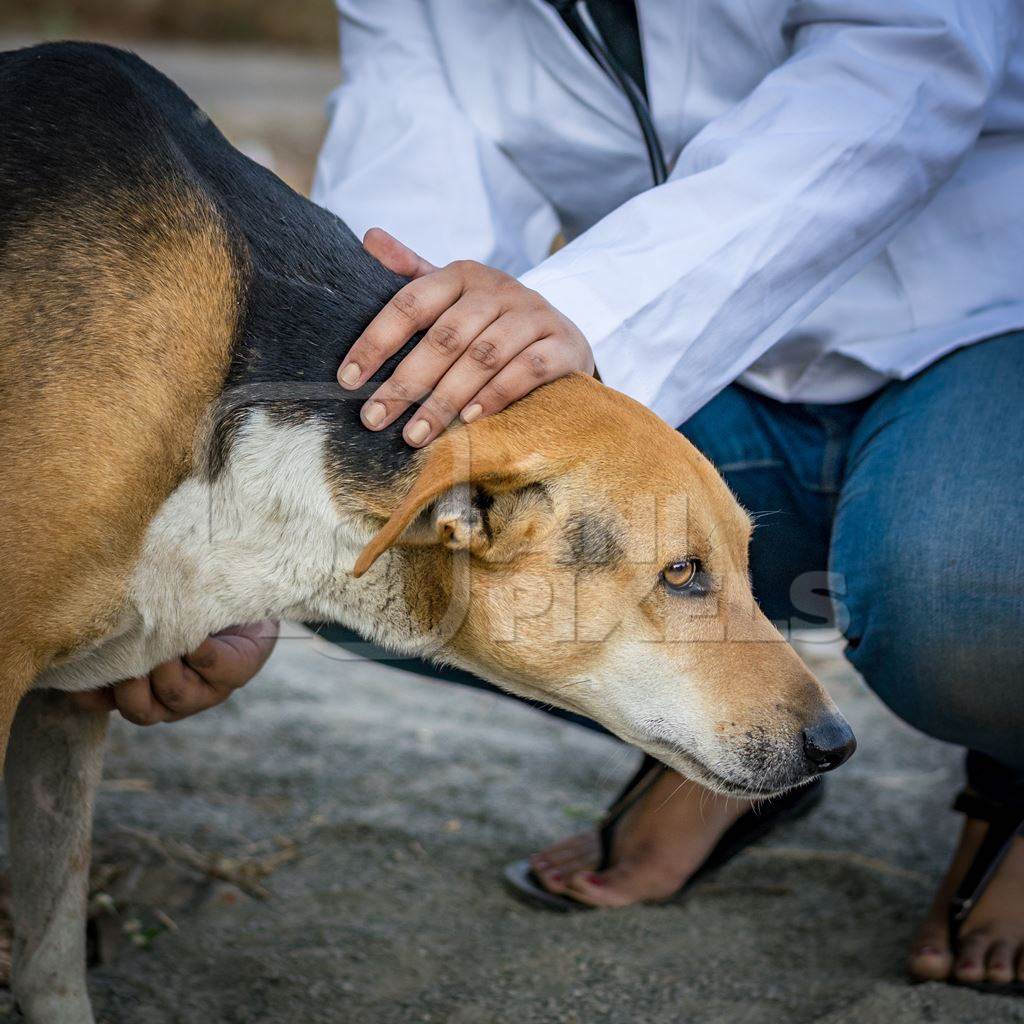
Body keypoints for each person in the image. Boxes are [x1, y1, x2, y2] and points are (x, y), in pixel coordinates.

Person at [82, 0, 1024, 990]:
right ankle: (700, 744)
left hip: (970, 331)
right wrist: (251, 575)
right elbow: (408, 217)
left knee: (967, 604)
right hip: (698, 384)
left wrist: (583, 313)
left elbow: (907, 61)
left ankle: (1010, 780)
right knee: (390, 547)